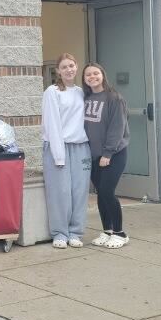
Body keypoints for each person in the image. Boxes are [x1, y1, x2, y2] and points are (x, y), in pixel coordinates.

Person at [41, 53, 91, 249]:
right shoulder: (52, 92)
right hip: (57, 147)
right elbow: (52, 124)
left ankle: (75, 232)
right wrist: (58, 155)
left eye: (71, 65)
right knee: (60, 192)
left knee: (79, 192)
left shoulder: (81, 92)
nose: (69, 70)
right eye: (64, 67)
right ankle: (60, 233)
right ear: (58, 71)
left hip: (80, 148)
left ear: (76, 67)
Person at [83, 62, 130, 248]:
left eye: (96, 73)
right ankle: (107, 230)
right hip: (94, 155)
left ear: (103, 74)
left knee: (108, 192)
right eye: (88, 74)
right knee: (101, 194)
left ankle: (120, 233)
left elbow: (117, 128)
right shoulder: (85, 98)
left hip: (113, 154)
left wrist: (108, 153)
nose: (92, 77)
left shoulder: (114, 98)